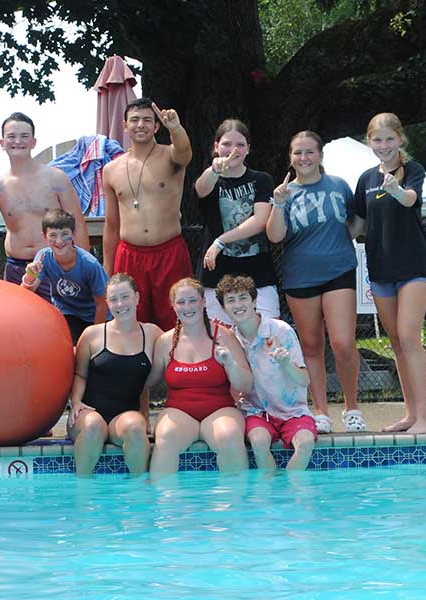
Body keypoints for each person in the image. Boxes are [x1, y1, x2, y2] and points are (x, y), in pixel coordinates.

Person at [264, 131, 358, 434]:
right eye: (298, 153)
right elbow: (275, 236)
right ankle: (320, 410)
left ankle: (352, 408)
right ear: (290, 157)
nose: (303, 158)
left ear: (320, 155)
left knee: (343, 343)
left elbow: (356, 222)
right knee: (311, 346)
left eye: (309, 152)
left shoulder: (340, 186)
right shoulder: (284, 193)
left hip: (339, 272)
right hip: (300, 277)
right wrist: (278, 204)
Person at [356, 114, 426, 434]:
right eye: (378, 140)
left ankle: (425, 420)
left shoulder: (412, 170)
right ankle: (410, 414)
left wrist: (395, 189)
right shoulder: (364, 179)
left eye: (390, 139)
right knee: (396, 342)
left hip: (413, 265)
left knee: (408, 337)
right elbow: (357, 224)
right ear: (369, 142)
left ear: (400, 139)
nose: (384, 146)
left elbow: (410, 200)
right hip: (380, 268)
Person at [0, 112, 86, 302]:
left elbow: (78, 225)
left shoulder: (56, 179)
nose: (17, 141)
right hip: (16, 268)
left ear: (33, 142)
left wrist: (83, 269)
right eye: (11, 136)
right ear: (2, 143)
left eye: (24, 136)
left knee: (61, 324)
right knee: (18, 328)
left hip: (53, 265)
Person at [101, 98, 192, 330]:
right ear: (125, 125)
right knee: (131, 323)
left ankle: (175, 365)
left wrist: (176, 128)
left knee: (178, 320)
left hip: (169, 252)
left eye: (147, 120)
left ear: (156, 126)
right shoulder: (111, 170)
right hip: (129, 255)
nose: (140, 125)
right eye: (135, 120)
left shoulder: (171, 156)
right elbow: (111, 225)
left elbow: (184, 150)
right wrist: (108, 270)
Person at [148, 279, 252, 477]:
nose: (187, 307)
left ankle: (234, 504)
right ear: (173, 305)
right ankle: (165, 503)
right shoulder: (165, 342)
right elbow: (147, 381)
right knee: (166, 436)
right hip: (179, 413)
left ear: (203, 302)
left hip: (220, 411)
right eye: (181, 302)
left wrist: (230, 364)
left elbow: (246, 385)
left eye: (192, 300)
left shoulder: (224, 337)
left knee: (229, 436)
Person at [65, 274, 161, 476]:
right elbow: (80, 375)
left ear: (137, 297)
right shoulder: (92, 334)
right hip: (88, 413)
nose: (120, 304)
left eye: (125, 297)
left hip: (125, 416)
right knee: (93, 427)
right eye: (114, 299)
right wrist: (75, 402)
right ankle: (83, 493)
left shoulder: (152, 334)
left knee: (136, 429)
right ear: (107, 303)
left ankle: (138, 494)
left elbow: (177, 354)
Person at [219, 275, 316, 470]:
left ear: (254, 301)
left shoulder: (280, 331)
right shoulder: (229, 339)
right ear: (223, 308)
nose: (238, 305)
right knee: (259, 443)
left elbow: (304, 380)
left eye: (243, 298)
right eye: (230, 300)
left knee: (305, 444)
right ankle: (270, 494)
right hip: (257, 412)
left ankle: (289, 492)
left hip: (293, 412)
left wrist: (287, 363)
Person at [194, 119, 279, 324]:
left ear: (248, 149)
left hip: (258, 275)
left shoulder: (261, 180)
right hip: (216, 277)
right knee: (221, 341)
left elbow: (260, 220)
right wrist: (214, 170)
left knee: (266, 336)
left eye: (240, 144)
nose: (234, 150)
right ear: (216, 147)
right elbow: (200, 189)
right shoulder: (210, 179)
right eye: (226, 144)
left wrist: (220, 241)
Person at [21, 209, 109, 342]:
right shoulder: (43, 258)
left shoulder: (89, 264)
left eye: (65, 234)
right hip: (67, 313)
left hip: (94, 316)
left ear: (73, 234)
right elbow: (25, 294)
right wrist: (29, 276)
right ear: (44, 236)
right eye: (53, 235)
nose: (59, 241)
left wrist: (95, 335)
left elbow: (102, 303)